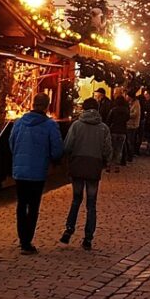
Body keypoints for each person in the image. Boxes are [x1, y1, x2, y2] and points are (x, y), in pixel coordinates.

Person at [9, 93, 63, 254]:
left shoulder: (19, 123)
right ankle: (27, 241)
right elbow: (57, 149)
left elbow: (11, 142)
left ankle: (22, 238)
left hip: (20, 170)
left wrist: (18, 156)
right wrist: (52, 159)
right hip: (38, 171)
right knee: (33, 206)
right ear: (47, 106)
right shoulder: (50, 125)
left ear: (33, 104)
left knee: (21, 204)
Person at [61, 98, 112, 251]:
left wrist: (69, 157)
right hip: (94, 167)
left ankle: (69, 230)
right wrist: (106, 162)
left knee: (76, 200)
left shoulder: (76, 125)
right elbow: (107, 150)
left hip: (78, 164)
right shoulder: (103, 128)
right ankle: (88, 238)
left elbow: (68, 145)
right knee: (91, 203)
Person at [106, 95, 130, 171]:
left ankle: (109, 165)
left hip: (113, 130)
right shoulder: (126, 110)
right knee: (119, 149)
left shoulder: (113, 110)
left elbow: (108, 120)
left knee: (111, 148)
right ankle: (117, 166)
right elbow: (127, 119)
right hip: (122, 131)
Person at [125, 94, 141, 163]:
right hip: (129, 124)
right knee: (129, 140)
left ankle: (130, 156)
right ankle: (128, 155)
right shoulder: (130, 103)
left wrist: (127, 115)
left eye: (127, 96)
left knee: (130, 141)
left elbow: (135, 114)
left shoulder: (136, 104)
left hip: (132, 125)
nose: (126, 97)